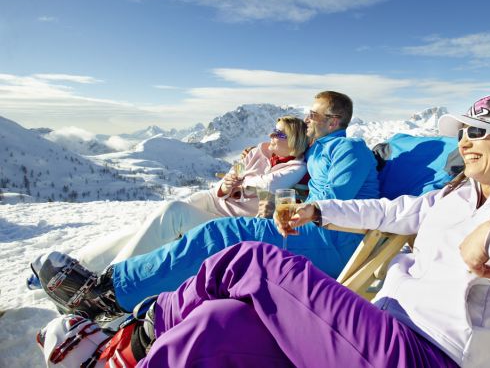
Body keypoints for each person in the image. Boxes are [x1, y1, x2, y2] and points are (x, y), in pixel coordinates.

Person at [36, 94, 490, 367]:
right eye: (463, 132)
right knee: (215, 328)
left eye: (479, 133)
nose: (464, 142)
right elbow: (391, 212)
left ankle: (126, 337)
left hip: (427, 355)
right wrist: (318, 212)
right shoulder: (454, 196)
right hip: (377, 330)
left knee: (249, 260)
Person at [33, 91, 380, 318]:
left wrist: (282, 202)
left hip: (332, 240)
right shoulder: (320, 148)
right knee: (183, 223)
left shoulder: (347, 149)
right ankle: (98, 278)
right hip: (312, 229)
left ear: (333, 121)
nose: (306, 119)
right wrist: (260, 155)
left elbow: (331, 203)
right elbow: (297, 157)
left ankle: (108, 298)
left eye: (313, 114)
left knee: (219, 235)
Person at [73, 115, 309, 272]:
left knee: (172, 213)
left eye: (279, 134)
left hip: (228, 221)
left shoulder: (295, 167)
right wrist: (227, 185)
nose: (271, 136)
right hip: (213, 201)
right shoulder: (259, 150)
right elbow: (233, 173)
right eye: (273, 131)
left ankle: (111, 278)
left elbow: (269, 185)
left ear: (293, 141)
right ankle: (83, 265)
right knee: (153, 222)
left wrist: (243, 183)